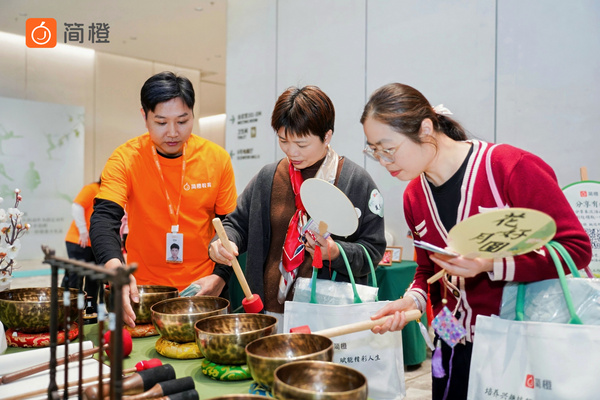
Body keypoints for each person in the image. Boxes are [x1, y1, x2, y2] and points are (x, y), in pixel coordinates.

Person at [360, 83, 592, 399]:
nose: (383, 160)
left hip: (515, 337)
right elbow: (427, 272)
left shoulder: (509, 168)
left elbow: (575, 248)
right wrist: (411, 300)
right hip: (452, 340)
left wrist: (491, 264)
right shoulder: (414, 195)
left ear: (425, 128)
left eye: (388, 148)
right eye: (374, 150)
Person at [208, 85, 386, 329]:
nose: (292, 152)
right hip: (268, 312)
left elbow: (372, 251)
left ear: (327, 136)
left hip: (326, 317)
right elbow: (236, 224)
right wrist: (225, 241)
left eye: (302, 144)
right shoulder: (268, 178)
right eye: (283, 140)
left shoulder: (355, 182)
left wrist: (335, 252)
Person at [90, 71, 238, 328]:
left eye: (182, 121)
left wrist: (221, 278)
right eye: (161, 122)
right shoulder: (125, 158)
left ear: (193, 115)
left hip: (204, 290)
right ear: (144, 117)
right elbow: (104, 218)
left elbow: (231, 227)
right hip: (144, 294)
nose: (172, 132)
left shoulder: (217, 159)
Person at [63, 179, 102, 314]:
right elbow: (77, 206)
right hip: (79, 240)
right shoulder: (92, 189)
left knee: (94, 277)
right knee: (76, 277)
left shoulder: (108, 193)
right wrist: (83, 231)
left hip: (95, 243)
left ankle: (90, 308)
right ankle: (69, 309)